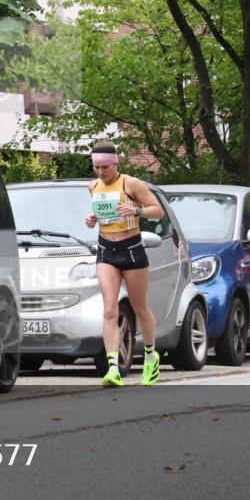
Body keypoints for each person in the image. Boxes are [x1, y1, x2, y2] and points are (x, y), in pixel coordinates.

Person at [84, 141, 165, 387]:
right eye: (96, 167)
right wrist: (92, 220)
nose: (100, 173)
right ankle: (112, 369)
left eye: (105, 167)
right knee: (110, 309)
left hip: (132, 251)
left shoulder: (131, 184)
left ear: (115, 163)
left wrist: (136, 211)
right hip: (106, 250)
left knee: (140, 307)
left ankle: (151, 357)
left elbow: (157, 211)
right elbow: (104, 216)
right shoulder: (93, 187)